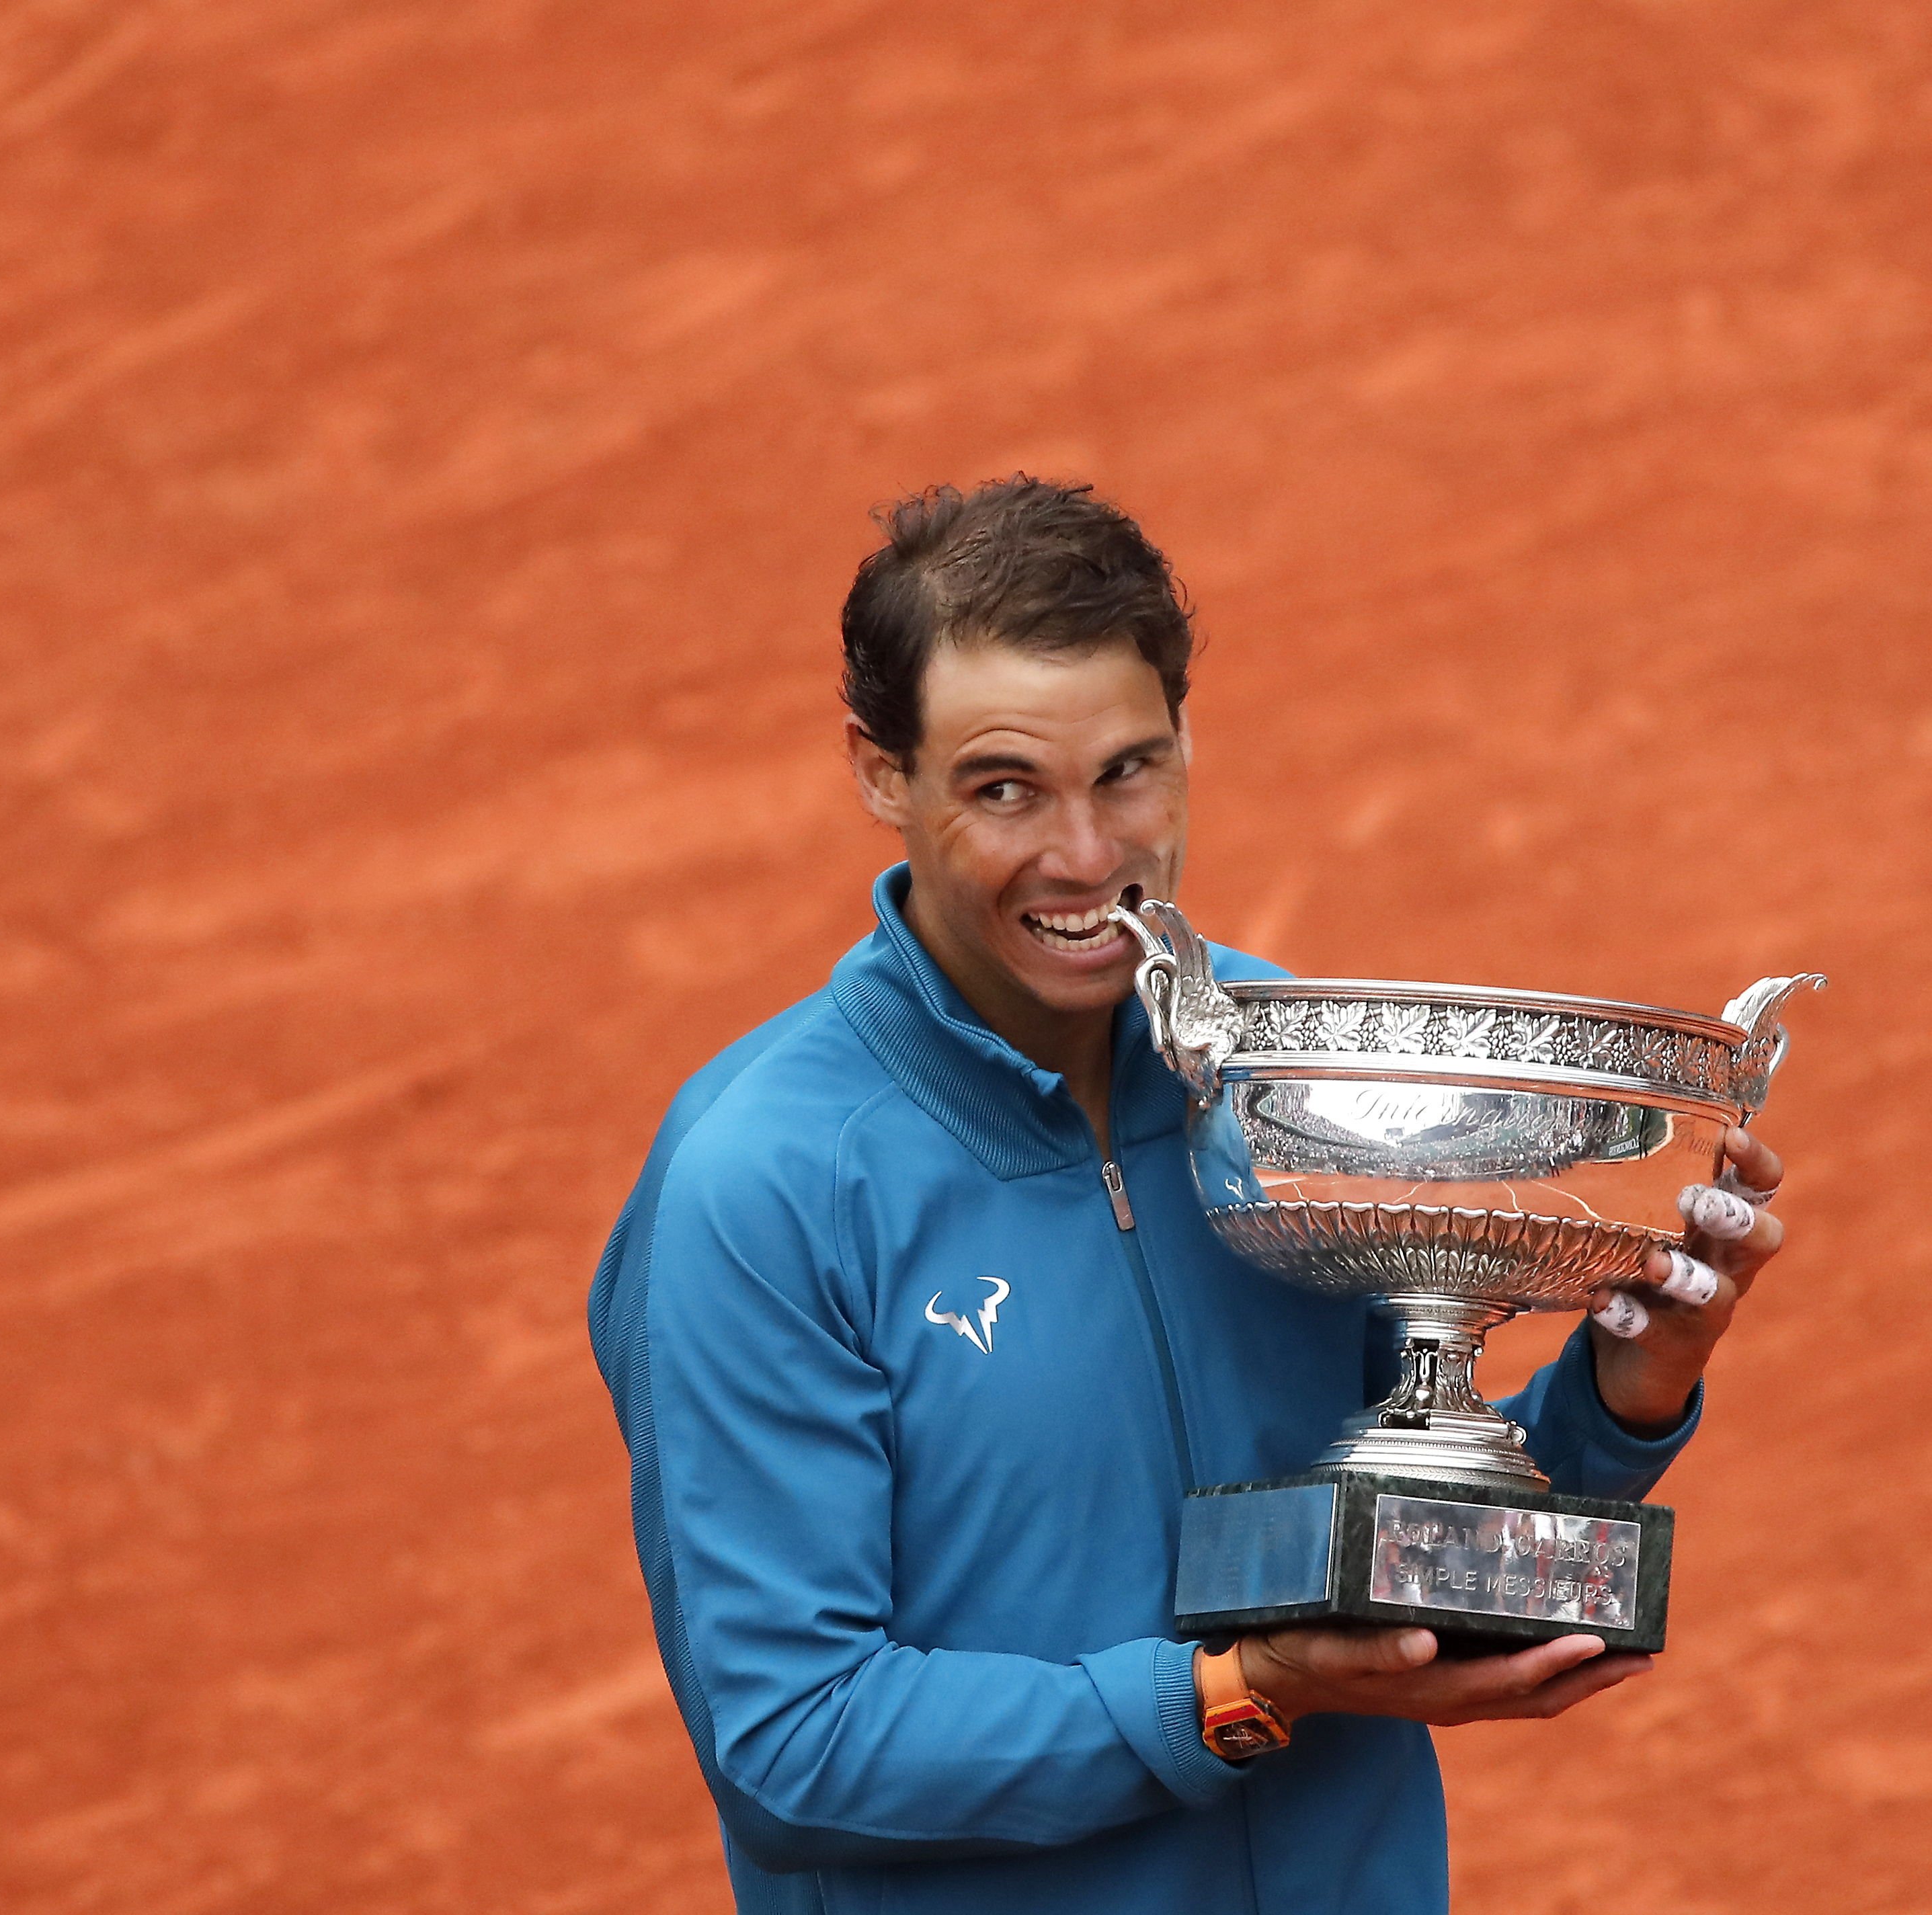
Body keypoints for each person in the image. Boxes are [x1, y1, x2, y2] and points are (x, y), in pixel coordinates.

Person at [585, 477, 1789, 1914]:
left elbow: (1396, 1529)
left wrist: (1624, 1392)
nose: (1085, 859)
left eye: (1126, 772)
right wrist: (1228, 1694)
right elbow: (791, 1743)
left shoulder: (1281, 1072)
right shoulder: (762, 1184)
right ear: (877, 773)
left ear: (1185, 742)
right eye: (1001, 788)